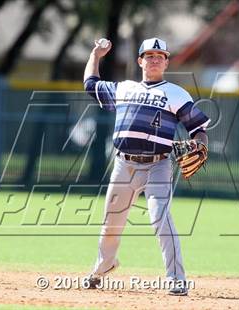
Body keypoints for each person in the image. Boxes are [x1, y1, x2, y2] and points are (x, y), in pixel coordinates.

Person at [83, 37, 210, 296]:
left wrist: (198, 144)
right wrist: (96, 55)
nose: (154, 60)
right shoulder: (124, 88)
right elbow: (90, 84)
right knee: (111, 224)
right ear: (140, 61)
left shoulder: (176, 94)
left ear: (166, 62)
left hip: (158, 166)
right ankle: (103, 267)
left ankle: (176, 279)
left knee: (161, 218)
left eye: (160, 56)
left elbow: (199, 130)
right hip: (123, 164)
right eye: (149, 55)